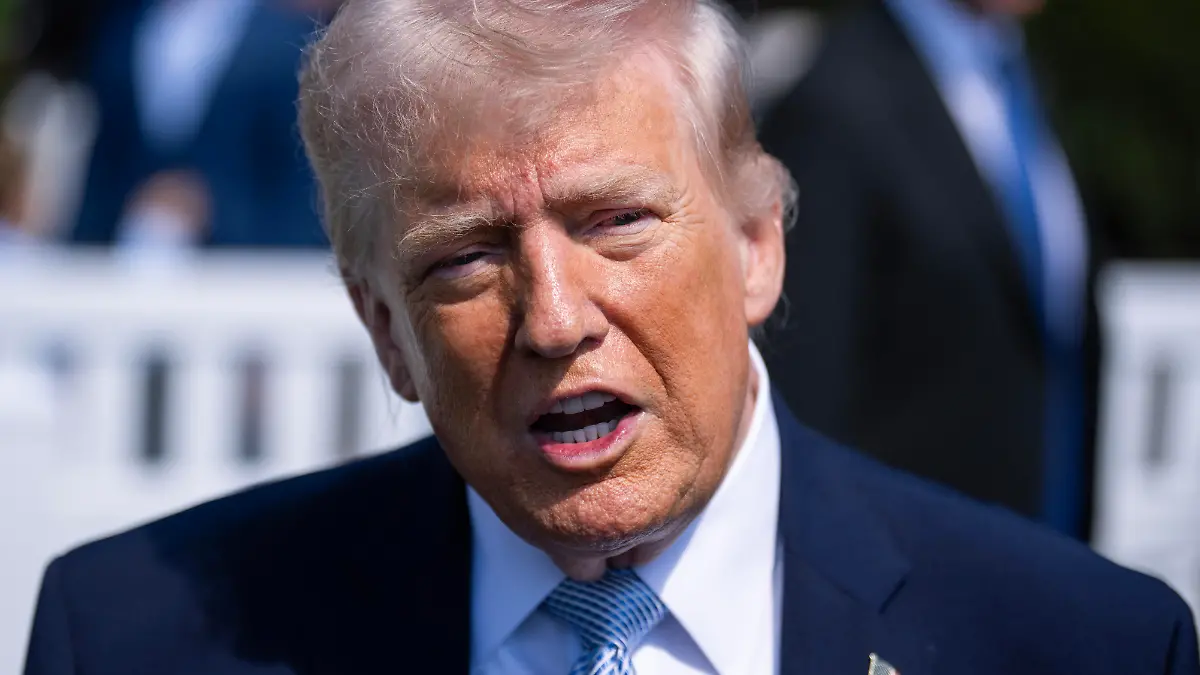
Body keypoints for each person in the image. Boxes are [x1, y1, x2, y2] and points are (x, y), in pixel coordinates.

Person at [24, 1, 1197, 674]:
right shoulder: (134, 641)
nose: (557, 317)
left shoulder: (1076, 647)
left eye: (616, 223)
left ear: (755, 244)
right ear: (384, 328)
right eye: (467, 257)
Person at [758, 0, 1098, 538]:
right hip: (913, 563)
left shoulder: (1020, 82)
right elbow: (806, 390)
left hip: (1042, 546)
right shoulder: (837, 98)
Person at [69, 0, 328, 250]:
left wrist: (214, 213)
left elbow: (297, 188)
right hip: (128, 252)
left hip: (243, 268)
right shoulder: (123, 29)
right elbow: (105, 168)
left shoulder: (283, 37)